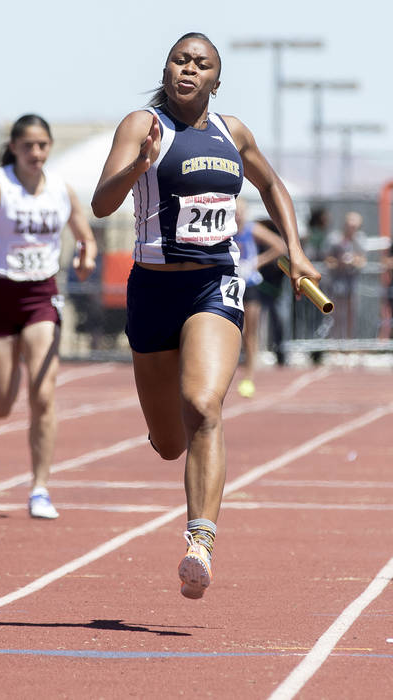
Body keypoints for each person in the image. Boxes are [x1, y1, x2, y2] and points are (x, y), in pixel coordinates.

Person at [90, 32, 318, 600]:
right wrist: (135, 167)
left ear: (216, 80)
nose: (187, 69)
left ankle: (200, 541)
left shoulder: (232, 132)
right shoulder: (142, 126)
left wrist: (295, 246)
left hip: (214, 286)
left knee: (203, 404)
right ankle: (184, 472)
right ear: (166, 68)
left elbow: (271, 185)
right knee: (169, 442)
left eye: (201, 64)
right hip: (152, 291)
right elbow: (101, 203)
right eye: (179, 59)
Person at [0, 114, 98, 519]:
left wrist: (86, 257)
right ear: (13, 147)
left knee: (43, 395)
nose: (37, 153)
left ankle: (40, 488)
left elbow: (85, 235)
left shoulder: (60, 189)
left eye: (43, 145)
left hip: (41, 295)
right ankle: (6, 374)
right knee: (0, 406)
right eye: (29, 146)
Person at [234, 200, 287, 398]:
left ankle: (248, 377)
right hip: (228, 284)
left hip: (249, 284)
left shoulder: (251, 229)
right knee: (232, 330)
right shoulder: (224, 228)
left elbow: (280, 246)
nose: (238, 215)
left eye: (241, 212)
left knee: (250, 331)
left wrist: (256, 263)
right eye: (235, 211)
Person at [324, 211, 367, 339]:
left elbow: (363, 261)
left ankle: (348, 342)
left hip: (352, 283)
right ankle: (335, 341)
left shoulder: (360, 240)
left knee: (350, 314)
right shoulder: (334, 239)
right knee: (335, 314)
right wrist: (339, 263)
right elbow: (327, 260)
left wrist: (353, 260)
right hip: (336, 282)